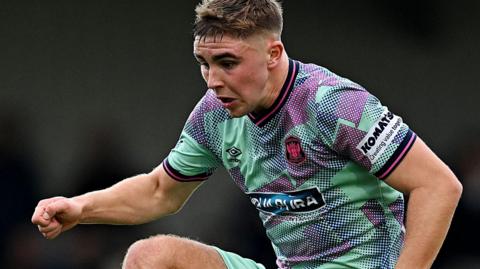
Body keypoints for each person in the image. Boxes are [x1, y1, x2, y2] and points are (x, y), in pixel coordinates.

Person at [32, 0, 463, 268]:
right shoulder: (215, 115)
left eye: (228, 62)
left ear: (273, 53)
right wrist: (80, 207)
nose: (212, 79)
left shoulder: (331, 103)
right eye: (204, 63)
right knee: (150, 258)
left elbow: (438, 185)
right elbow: (161, 190)